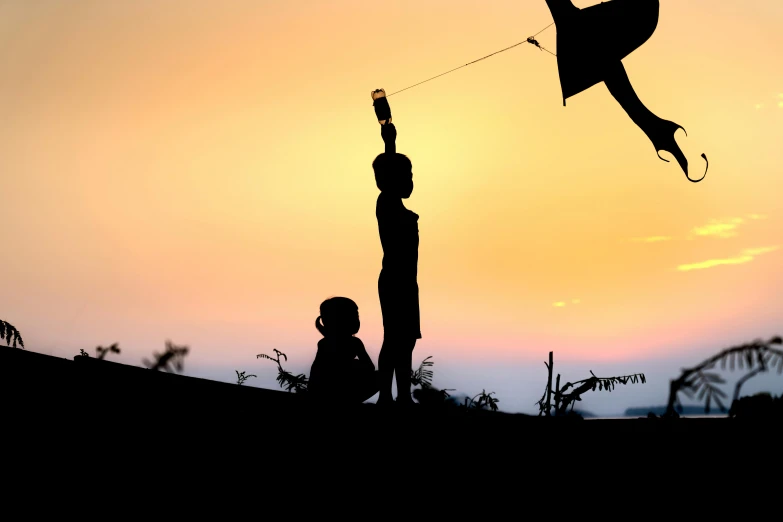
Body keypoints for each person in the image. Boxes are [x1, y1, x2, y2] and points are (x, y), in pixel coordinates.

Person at [372, 122, 420, 407]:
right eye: (408, 175)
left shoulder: (396, 207)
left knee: (406, 340)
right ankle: (386, 396)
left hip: (406, 281)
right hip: (394, 280)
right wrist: (390, 141)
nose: (411, 181)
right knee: (394, 339)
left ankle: (402, 395)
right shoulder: (386, 202)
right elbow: (390, 170)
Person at [308, 297, 378, 406]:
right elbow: (321, 372)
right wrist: (355, 365)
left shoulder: (325, 343)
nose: (357, 320)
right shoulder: (352, 343)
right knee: (382, 376)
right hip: (331, 390)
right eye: (354, 316)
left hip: (331, 390)